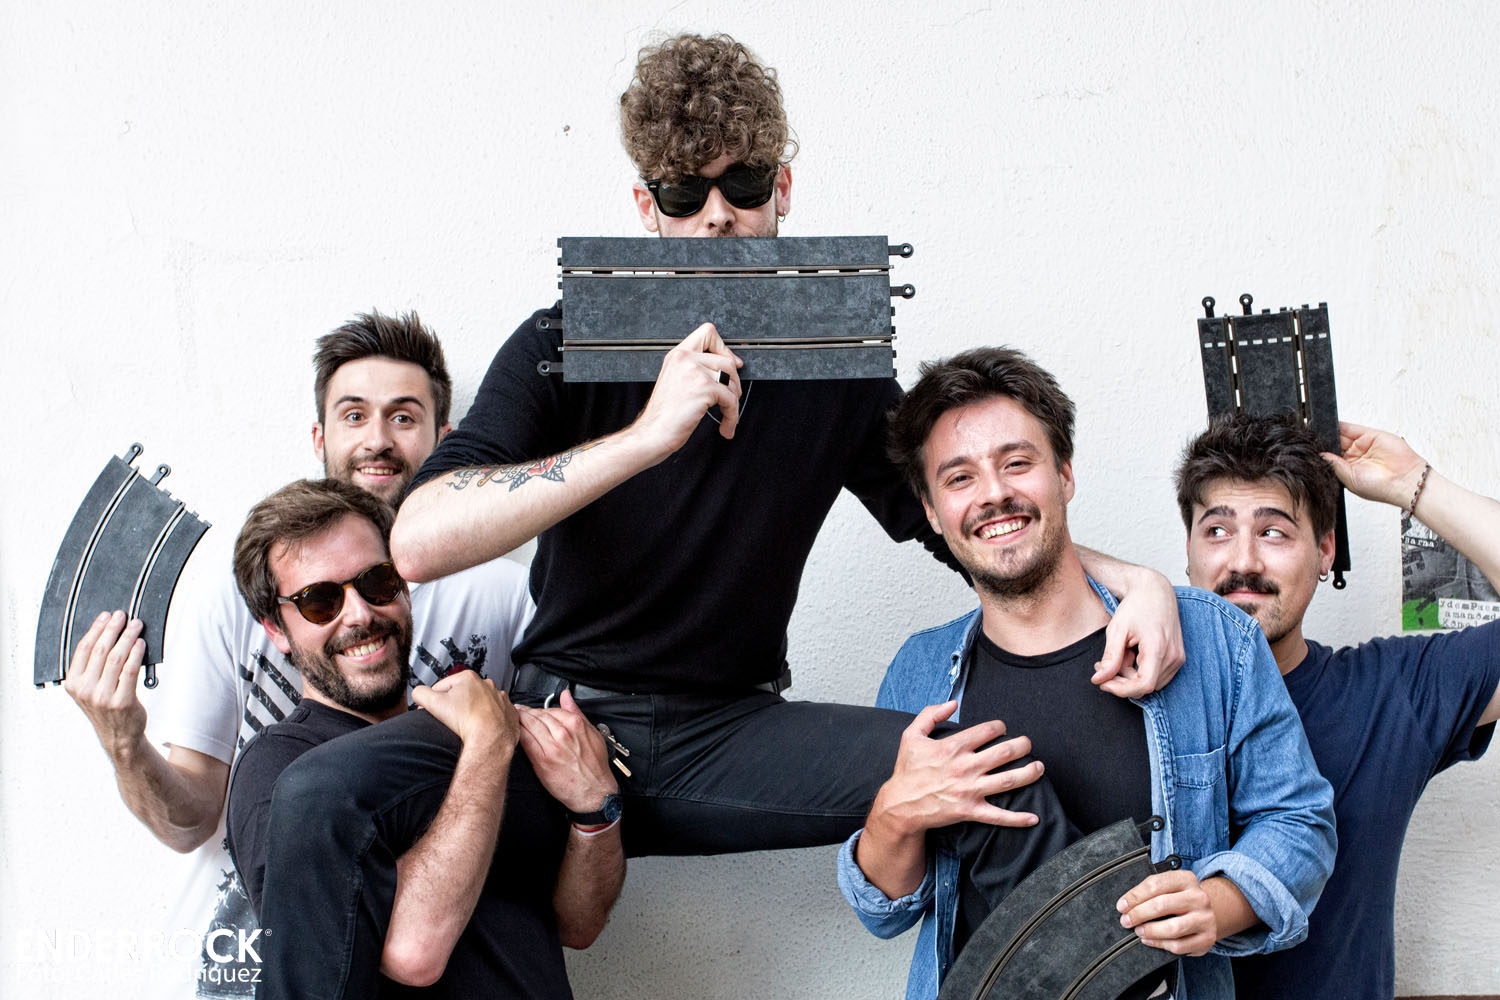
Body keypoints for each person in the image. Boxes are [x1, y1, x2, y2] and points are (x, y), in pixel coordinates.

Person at [251, 34, 1185, 999]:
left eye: (741, 185)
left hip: (728, 736)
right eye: (682, 194)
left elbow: (966, 523)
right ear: (643, 208)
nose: (716, 217)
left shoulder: (834, 362)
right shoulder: (564, 340)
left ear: (784, 188)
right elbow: (417, 537)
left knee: (986, 769)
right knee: (318, 792)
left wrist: (1136, 583)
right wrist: (649, 435)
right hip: (563, 726)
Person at [60, 310, 534, 998]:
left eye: (404, 417)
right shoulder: (235, 589)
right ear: (320, 436)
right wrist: (125, 743)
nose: (377, 439)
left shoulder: (505, 593)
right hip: (245, 967)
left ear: (444, 439)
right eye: (353, 415)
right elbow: (190, 821)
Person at [837, 348, 1336, 1000]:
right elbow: (885, 910)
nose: (994, 493)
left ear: (1065, 474)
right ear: (931, 511)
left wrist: (1217, 903)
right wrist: (891, 820)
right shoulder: (920, 672)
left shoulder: (1214, 638)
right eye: (959, 478)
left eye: (1017, 463)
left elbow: (1299, 825)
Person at [215, 477, 621, 996]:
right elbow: (411, 952)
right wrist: (487, 746)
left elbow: (577, 926)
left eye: (377, 581)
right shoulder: (278, 768)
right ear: (276, 629)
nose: (360, 614)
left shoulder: (469, 729)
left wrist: (596, 811)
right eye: (320, 601)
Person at [1175, 413, 1500, 1000]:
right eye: (1217, 530)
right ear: (1189, 553)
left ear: (1325, 551)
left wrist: (1414, 484)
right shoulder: (1134, 692)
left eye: (1274, 532)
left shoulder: (1391, 692)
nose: (1243, 561)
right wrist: (1131, 580)